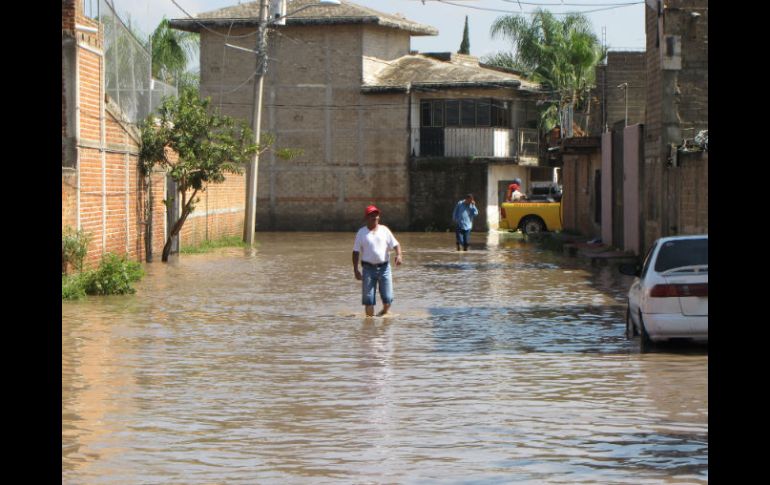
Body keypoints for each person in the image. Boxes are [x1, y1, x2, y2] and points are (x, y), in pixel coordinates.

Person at [352, 205, 403, 317]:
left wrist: (399, 255)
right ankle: (370, 326)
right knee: (368, 300)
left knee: (388, 299)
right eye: (371, 215)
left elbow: (396, 244)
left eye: (376, 214)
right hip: (368, 269)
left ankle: (383, 314)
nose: (374, 217)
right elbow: (355, 252)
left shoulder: (384, 230)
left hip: (384, 268)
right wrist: (356, 270)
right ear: (366, 218)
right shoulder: (361, 233)